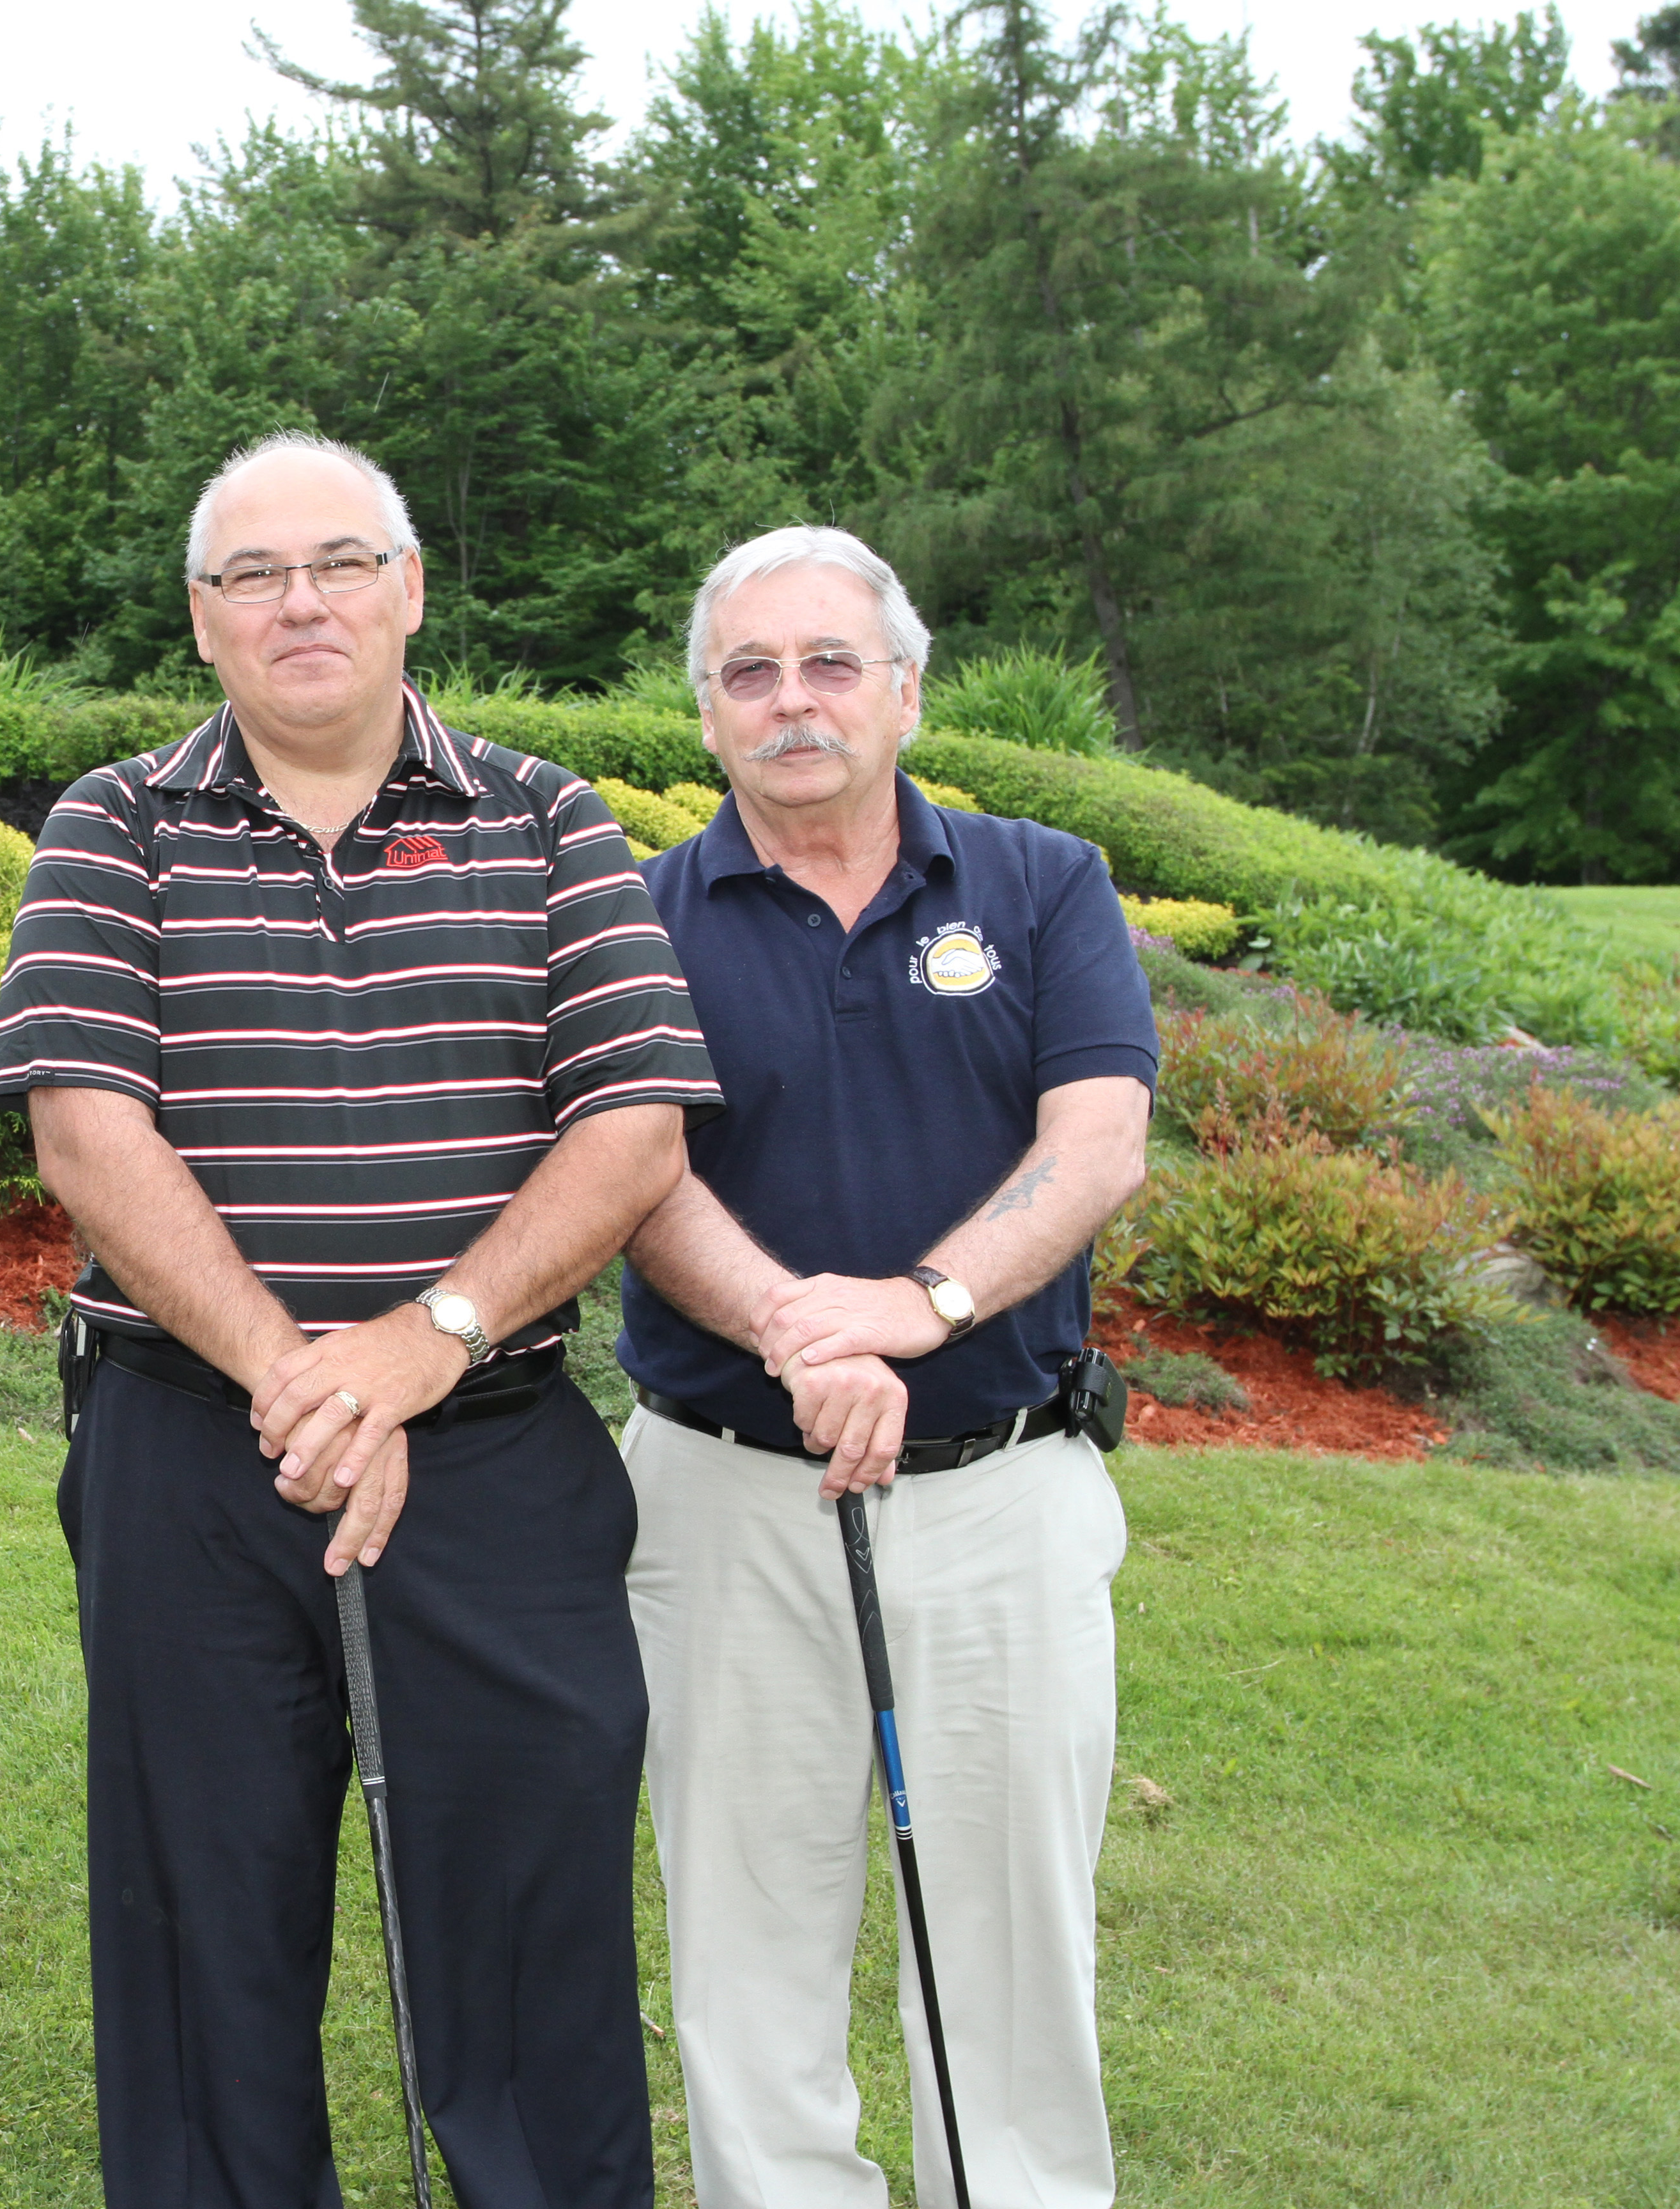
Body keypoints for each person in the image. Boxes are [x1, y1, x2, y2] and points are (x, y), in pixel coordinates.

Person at [0, 430, 723, 2205]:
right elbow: (87, 1127)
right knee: (203, 1939)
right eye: (253, 574)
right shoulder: (114, 823)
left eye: (338, 563)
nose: (298, 601)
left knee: (533, 1939)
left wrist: (425, 1341)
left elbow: (632, 1122)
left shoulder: (550, 818)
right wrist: (300, 1379)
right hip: (194, 1454)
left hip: (492, 1457)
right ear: (200, 618)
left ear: (410, 589)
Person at [615, 525, 1156, 2209]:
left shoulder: (1042, 884)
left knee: (1009, 1942)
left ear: (904, 690)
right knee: (748, 1938)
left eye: (830, 663)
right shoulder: (640, 919)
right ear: (705, 716)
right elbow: (630, 1176)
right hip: (727, 1503)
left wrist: (916, 1306)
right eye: (751, 674)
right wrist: (798, 1326)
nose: (794, 703)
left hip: (1005, 1495)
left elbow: (1098, 1142)